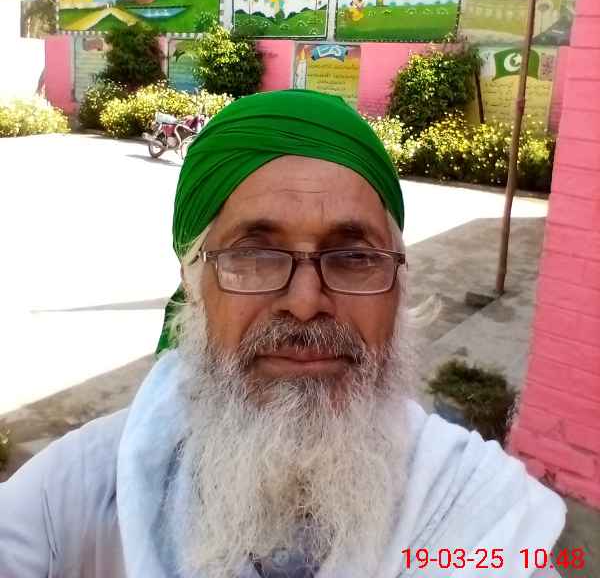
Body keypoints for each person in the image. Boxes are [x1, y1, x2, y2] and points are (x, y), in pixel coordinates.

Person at [0, 90, 564, 578]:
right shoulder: (72, 495)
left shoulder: (474, 505)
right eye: (253, 255)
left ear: (398, 287)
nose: (305, 302)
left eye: (353, 257)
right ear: (193, 284)